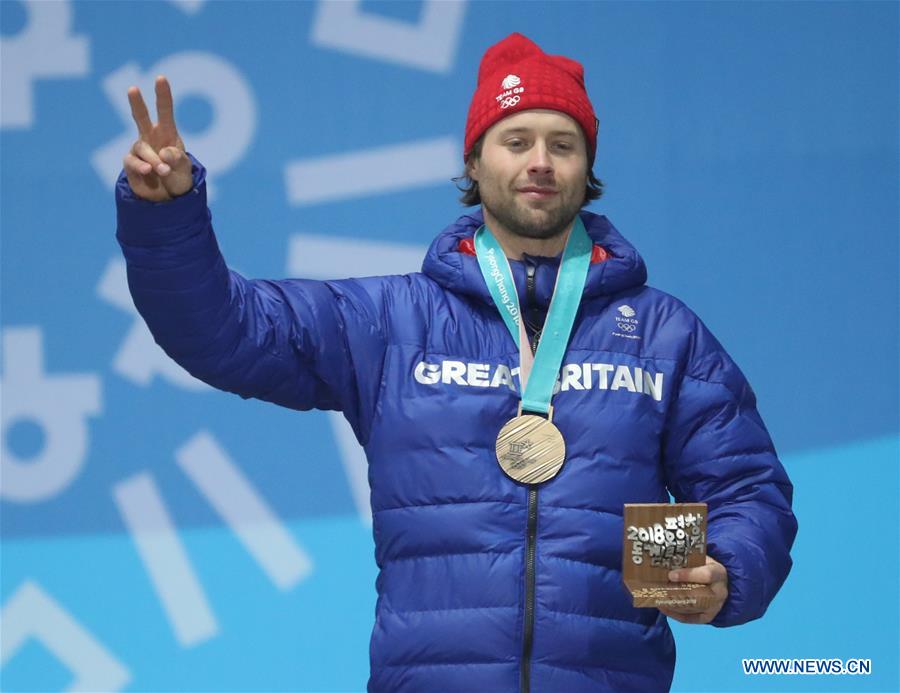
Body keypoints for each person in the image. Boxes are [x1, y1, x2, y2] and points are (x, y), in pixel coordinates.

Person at [116, 32, 797, 693]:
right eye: (516, 141)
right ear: (474, 162)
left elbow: (748, 490)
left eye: (563, 145)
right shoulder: (391, 322)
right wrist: (168, 215)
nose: (540, 161)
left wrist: (727, 569)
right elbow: (222, 332)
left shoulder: (662, 335)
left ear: (586, 171)